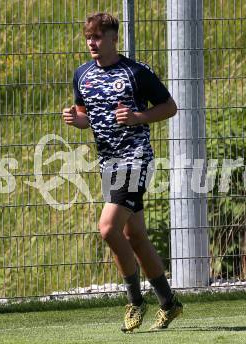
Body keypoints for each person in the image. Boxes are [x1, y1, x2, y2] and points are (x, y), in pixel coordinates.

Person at [62, 12, 182, 332]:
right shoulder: (82, 75)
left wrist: (138, 117)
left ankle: (135, 301)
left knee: (107, 228)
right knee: (134, 236)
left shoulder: (136, 72)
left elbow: (169, 108)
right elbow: (85, 113)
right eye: (89, 37)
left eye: (99, 37)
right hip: (108, 163)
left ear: (115, 38)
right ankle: (169, 304)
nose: (92, 42)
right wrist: (78, 121)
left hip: (135, 158)